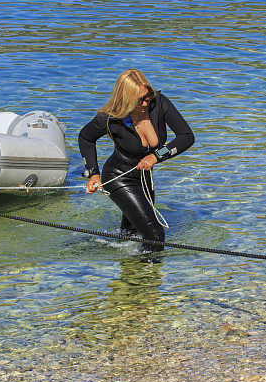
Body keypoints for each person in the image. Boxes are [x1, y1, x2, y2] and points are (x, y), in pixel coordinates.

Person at [78, 68, 194, 251]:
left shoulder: (159, 103)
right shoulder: (111, 116)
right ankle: (147, 277)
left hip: (144, 179)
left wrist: (157, 156)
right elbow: (85, 137)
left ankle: (125, 272)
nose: (146, 102)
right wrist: (93, 173)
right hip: (119, 177)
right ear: (126, 99)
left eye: (148, 95)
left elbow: (186, 136)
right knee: (155, 235)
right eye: (140, 100)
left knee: (130, 236)